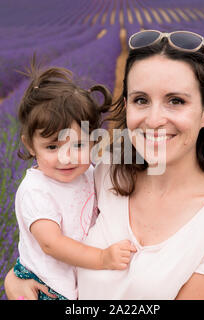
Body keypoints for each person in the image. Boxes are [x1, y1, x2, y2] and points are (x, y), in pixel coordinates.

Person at [4, 30, 204, 300]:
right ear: (127, 105)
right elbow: (53, 239)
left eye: (176, 101)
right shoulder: (106, 174)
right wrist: (16, 278)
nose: (153, 120)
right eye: (141, 100)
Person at [12, 60, 137, 300]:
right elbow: (51, 244)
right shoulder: (36, 190)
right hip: (46, 288)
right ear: (30, 145)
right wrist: (102, 258)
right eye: (52, 146)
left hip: (75, 286)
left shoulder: (90, 173)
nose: (66, 157)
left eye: (79, 144)